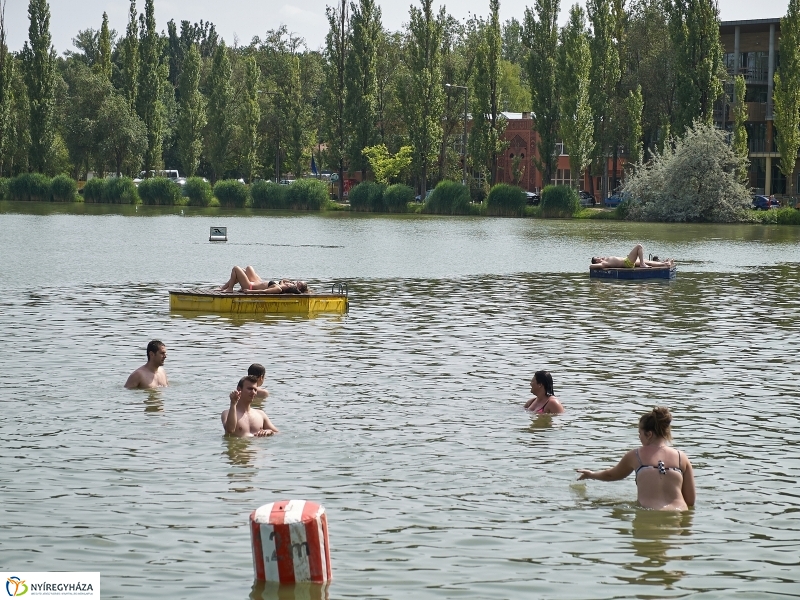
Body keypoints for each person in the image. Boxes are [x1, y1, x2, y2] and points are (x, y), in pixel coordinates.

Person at [576, 406, 695, 511]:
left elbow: (611, 475)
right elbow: (690, 501)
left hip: (650, 513)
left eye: (640, 434)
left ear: (649, 434)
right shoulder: (682, 457)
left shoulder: (636, 455)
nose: (639, 437)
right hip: (678, 514)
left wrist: (591, 475)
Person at [217, 266, 308, 294]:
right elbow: (282, 281)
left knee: (236, 269)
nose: (294, 283)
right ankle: (224, 287)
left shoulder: (279, 289)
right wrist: (288, 282)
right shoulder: (281, 285)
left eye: (297, 283)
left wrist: (249, 291)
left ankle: (229, 289)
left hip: (251, 286)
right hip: (257, 282)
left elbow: (264, 291)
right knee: (247, 269)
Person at [590, 244, 673, 269]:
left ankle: (664, 263)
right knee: (639, 246)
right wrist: (598, 264)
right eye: (597, 258)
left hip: (627, 261)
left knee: (646, 260)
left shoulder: (605, 260)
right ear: (596, 261)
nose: (599, 257)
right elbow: (591, 266)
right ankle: (642, 264)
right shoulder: (603, 263)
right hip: (627, 263)